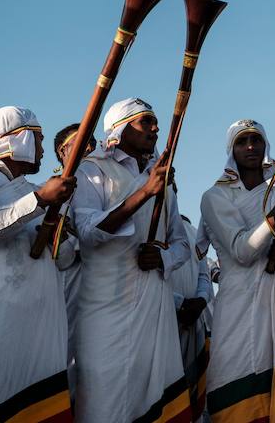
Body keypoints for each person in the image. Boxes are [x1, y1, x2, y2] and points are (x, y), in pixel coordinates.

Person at [72, 98, 191, 421]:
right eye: (145, 122)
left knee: (153, 394)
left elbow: (181, 243)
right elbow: (87, 231)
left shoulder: (160, 178)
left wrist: (163, 256)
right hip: (106, 308)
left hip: (154, 306)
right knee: (103, 399)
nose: (155, 128)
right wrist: (144, 192)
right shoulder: (92, 170)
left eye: (155, 121)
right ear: (119, 129)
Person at [200, 119, 275, 422]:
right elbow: (243, 251)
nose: (250, 146)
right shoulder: (215, 197)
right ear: (231, 150)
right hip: (239, 308)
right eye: (242, 141)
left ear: (266, 146)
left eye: (256, 140)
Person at [0, 106, 76, 420]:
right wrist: (39, 202)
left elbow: (64, 260)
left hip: (40, 327)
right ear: (18, 139)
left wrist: (60, 235)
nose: (41, 148)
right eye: (38, 139)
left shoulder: (37, 191)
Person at [52, 122, 96, 400]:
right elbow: (60, 255)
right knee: (68, 357)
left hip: (109, 283)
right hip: (69, 286)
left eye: (92, 142)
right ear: (62, 152)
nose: (89, 148)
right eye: (81, 142)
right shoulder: (53, 192)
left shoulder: (109, 184)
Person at [170, 213, 212, 421]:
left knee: (190, 391)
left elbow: (204, 276)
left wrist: (200, 301)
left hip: (192, 321)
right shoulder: (155, 227)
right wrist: (180, 303)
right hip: (163, 320)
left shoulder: (193, 234)